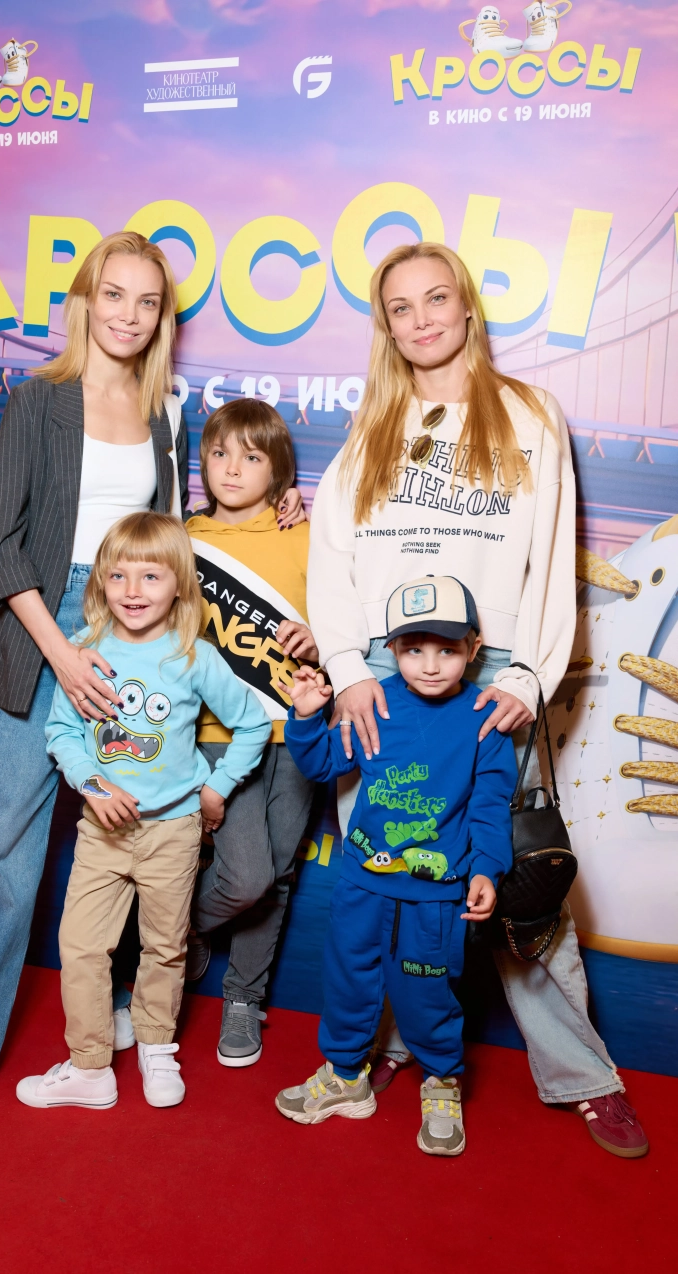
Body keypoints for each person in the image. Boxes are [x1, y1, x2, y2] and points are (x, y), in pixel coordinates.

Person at [0, 231, 303, 1125]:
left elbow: (173, 541)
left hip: (134, 624)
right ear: (83, 301)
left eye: (148, 302)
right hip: (40, 623)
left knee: (148, 831)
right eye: (114, 295)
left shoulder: (164, 413)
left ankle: (126, 1021)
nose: (129, 316)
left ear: (162, 318)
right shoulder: (37, 399)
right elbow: (1, 544)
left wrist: (281, 504)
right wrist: (63, 653)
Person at [305, 240, 649, 1159]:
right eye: (401, 307)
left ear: (465, 308)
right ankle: (383, 1051)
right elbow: (332, 559)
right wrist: (346, 670)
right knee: (385, 871)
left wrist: (530, 672)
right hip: (382, 674)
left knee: (516, 875)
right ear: (387, 327)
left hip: (490, 668)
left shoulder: (530, 414)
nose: (421, 319)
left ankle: (584, 1076)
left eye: (436, 299)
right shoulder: (373, 427)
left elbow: (551, 557)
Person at [16, 513, 271, 1110]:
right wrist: (93, 785)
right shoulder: (83, 652)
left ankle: (157, 1048)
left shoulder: (194, 657)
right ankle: (90, 1067)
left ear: (179, 584)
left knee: (164, 946)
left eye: (151, 576)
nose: (133, 591)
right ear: (101, 582)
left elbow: (253, 723)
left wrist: (218, 787)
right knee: (81, 947)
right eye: (119, 575)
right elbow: (62, 733)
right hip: (101, 832)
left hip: (174, 831)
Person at [276, 577, 515, 1154]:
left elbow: (490, 804)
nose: (430, 665)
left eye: (447, 650)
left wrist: (487, 869)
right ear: (391, 649)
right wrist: (306, 717)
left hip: (435, 895)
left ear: (474, 648)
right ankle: (346, 1077)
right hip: (362, 882)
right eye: (413, 649)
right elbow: (324, 764)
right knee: (347, 979)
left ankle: (441, 1080)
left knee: (427, 995)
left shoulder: (483, 717)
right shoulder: (373, 702)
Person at [183, 399, 317, 1067]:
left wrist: (319, 638)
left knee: (280, 874)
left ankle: (245, 996)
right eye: (220, 453)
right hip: (217, 732)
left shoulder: (306, 537)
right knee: (247, 877)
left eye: (252, 456)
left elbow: (345, 626)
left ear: (279, 471)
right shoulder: (182, 537)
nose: (232, 469)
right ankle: (177, 933)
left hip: (296, 731)